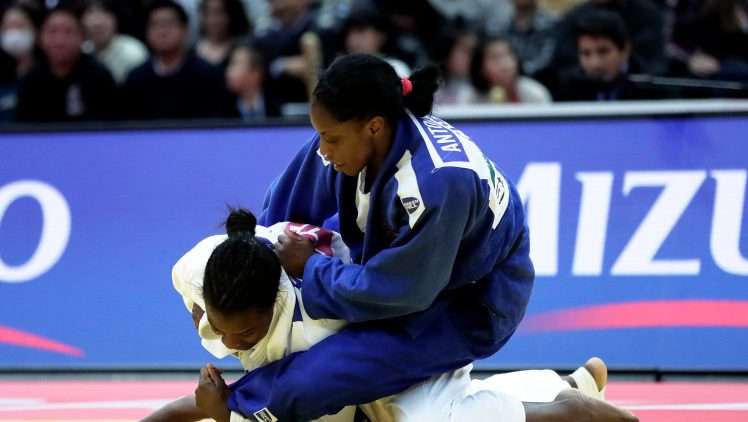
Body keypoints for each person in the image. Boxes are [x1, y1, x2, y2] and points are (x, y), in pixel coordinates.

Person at [198, 53, 531, 420]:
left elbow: (399, 292)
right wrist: (253, 268)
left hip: (469, 297)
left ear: (373, 127)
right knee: (216, 271)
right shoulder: (348, 134)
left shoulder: (436, 184)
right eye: (319, 135)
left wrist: (312, 267)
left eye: (331, 139)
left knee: (310, 386)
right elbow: (278, 217)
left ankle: (564, 409)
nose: (323, 150)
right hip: (395, 264)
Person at [145, 209, 638, 422]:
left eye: (245, 333)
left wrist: (220, 415)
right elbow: (226, 398)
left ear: (273, 303)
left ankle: (573, 410)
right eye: (215, 323)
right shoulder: (204, 265)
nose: (230, 344)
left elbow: (239, 404)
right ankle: (570, 383)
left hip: (399, 346)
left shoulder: (318, 332)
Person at [122, 0, 228, 120]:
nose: (162, 32)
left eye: (168, 24)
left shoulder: (208, 75)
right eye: (155, 25)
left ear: (185, 30)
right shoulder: (135, 79)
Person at [15, 4, 117, 122]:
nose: (60, 41)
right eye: (52, 32)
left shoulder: (100, 76)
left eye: (68, 32)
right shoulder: (30, 81)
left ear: (82, 37)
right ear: (40, 38)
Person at [555, 10, 668, 101]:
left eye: (603, 52)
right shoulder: (567, 89)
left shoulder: (651, 88)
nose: (595, 64)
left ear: (625, 50)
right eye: (586, 54)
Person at [81, 0, 148, 84]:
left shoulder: (133, 52)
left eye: (104, 15)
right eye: (90, 14)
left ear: (115, 20)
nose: (97, 23)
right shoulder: (83, 50)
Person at [470, 36, 552, 104]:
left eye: (508, 55)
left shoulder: (535, 94)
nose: (505, 64)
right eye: (495, 57)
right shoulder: (471, 99)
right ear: (480, 68)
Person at [0, 2, 42, 120]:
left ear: (35, 30)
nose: (14, 34)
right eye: (8, 27)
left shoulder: (48, 69)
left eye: (20, 26)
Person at [223, 41, 280, 120]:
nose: (228, 71)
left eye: (235, 64)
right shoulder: (222, 109)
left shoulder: (277, 106)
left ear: (255, 74)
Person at [196, 0, 251, 68]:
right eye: (208, 13)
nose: (213, 20)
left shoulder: (244, 49)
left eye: (220, 13)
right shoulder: (193, 51)